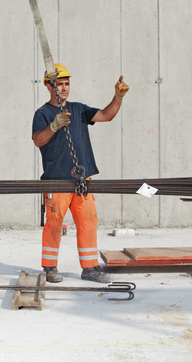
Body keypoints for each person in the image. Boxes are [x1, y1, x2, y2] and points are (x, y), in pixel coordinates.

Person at [32, 64, 129, 283]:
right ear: (49, 86)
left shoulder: (78, 109)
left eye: (67, 84)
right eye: (59, 84)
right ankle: (49, 268)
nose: (64, 88)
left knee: (88, 222)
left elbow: (106, 115)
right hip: (56, 182)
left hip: (81, 181)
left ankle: (90, 268)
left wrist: (118, 97)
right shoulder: (43, 114)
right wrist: (54, 126)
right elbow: (38, 140)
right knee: (54, 223)